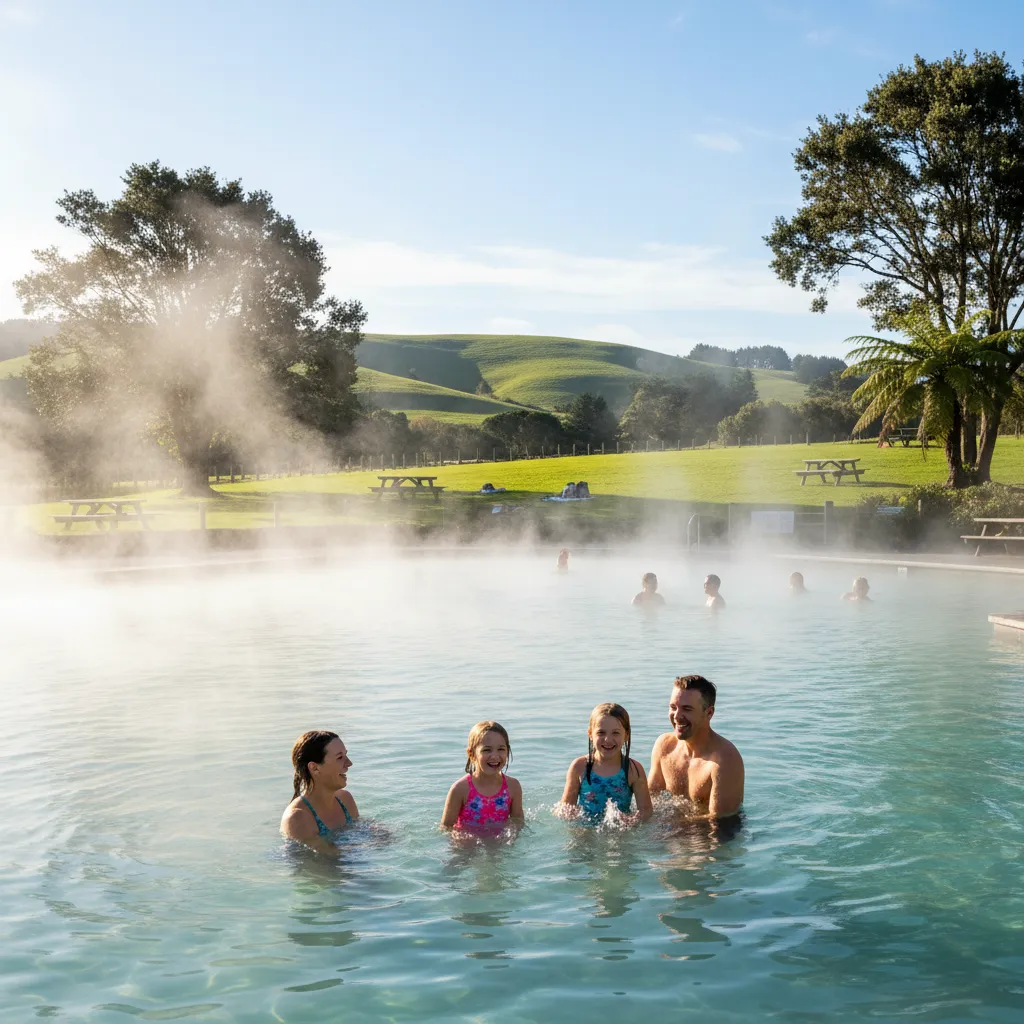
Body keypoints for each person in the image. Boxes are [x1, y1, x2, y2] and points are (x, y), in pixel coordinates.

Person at [649, 675, 744, 819]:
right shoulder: (665, 746)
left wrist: (674, 826)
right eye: (673, 707)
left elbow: (720, 821)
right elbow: (651, 799)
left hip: (714, 836)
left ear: (709, 713)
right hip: (674, 831)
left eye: (687, 709)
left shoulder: (724, 759)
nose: (677, 716)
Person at [558, 702, 653, 822]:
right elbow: (565, 808)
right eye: (601, 733)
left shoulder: (633, 769)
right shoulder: (579, 767)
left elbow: (646, 810)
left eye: (616, 733)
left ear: (626, 736)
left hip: (620, 834)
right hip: (586, 832)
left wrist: (631, 820)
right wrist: (570, 815)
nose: (608, 740)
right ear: (590, 734)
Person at [281, 730, 359, 848]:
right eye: (340, 757)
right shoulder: (298, 818)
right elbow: (328, 860)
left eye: (346, 755)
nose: (349, 763)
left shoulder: (345, 799)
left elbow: (360, 833)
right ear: (315, 768)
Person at [441, 721, 524, 829]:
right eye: (487, 750)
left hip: (500, 844)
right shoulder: (460, 789)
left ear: (507, 751)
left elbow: (518, 823)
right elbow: (446, 828)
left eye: (501, 749)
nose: (495, 756)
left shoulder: (513, 787)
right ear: (471, 754)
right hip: (467, 845)